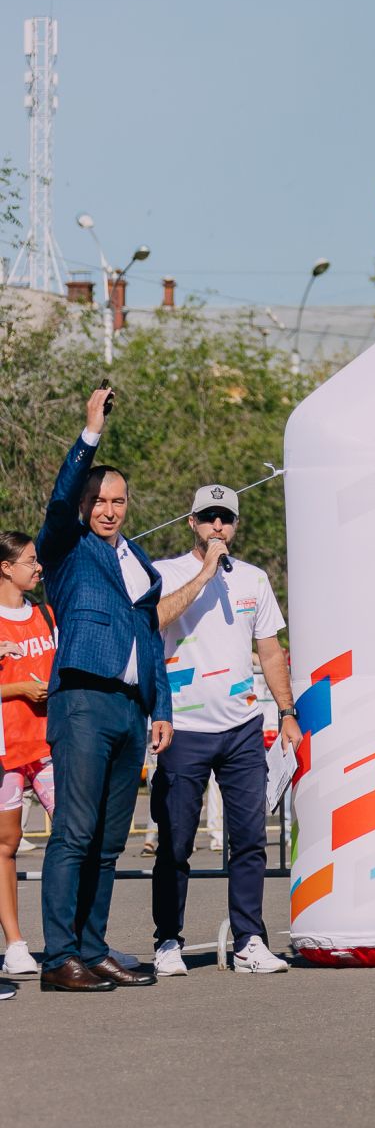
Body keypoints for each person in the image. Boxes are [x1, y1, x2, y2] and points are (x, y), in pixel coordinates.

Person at [35, 388, 171, 993]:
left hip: (129, 708)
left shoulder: (139, 560)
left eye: (117, 500)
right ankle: (59, 955)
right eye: (99, 499)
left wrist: (161, 706)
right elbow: (62, 500)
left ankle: (93, 948)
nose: (108, 509)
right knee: (75, 829)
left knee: (112, 839)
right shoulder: (66, 548)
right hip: (83, 700)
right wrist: (90, 434)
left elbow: (150, 633)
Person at [149, 483, 299, 975]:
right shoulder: (167, 572)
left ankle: (250, 940)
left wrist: (287, 711)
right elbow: (154, 619)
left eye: (226, 518)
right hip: (184, 727)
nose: (218, 526)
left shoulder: (254, 580)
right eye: (209, 517)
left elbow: (270, 649)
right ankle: (168, 940)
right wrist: (206, 572)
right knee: (175, 841)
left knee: (250, 838)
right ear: (191, 522)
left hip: (241, 726)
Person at [0, 532, 57, 979]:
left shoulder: (46, 614)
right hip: (7, 753)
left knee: (78, 835)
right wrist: (19, 688)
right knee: (7, 844)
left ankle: (76, 937)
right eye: (31, 561)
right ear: (6, 568)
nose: (38, 568)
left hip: (51, 745)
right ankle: (16, 943)